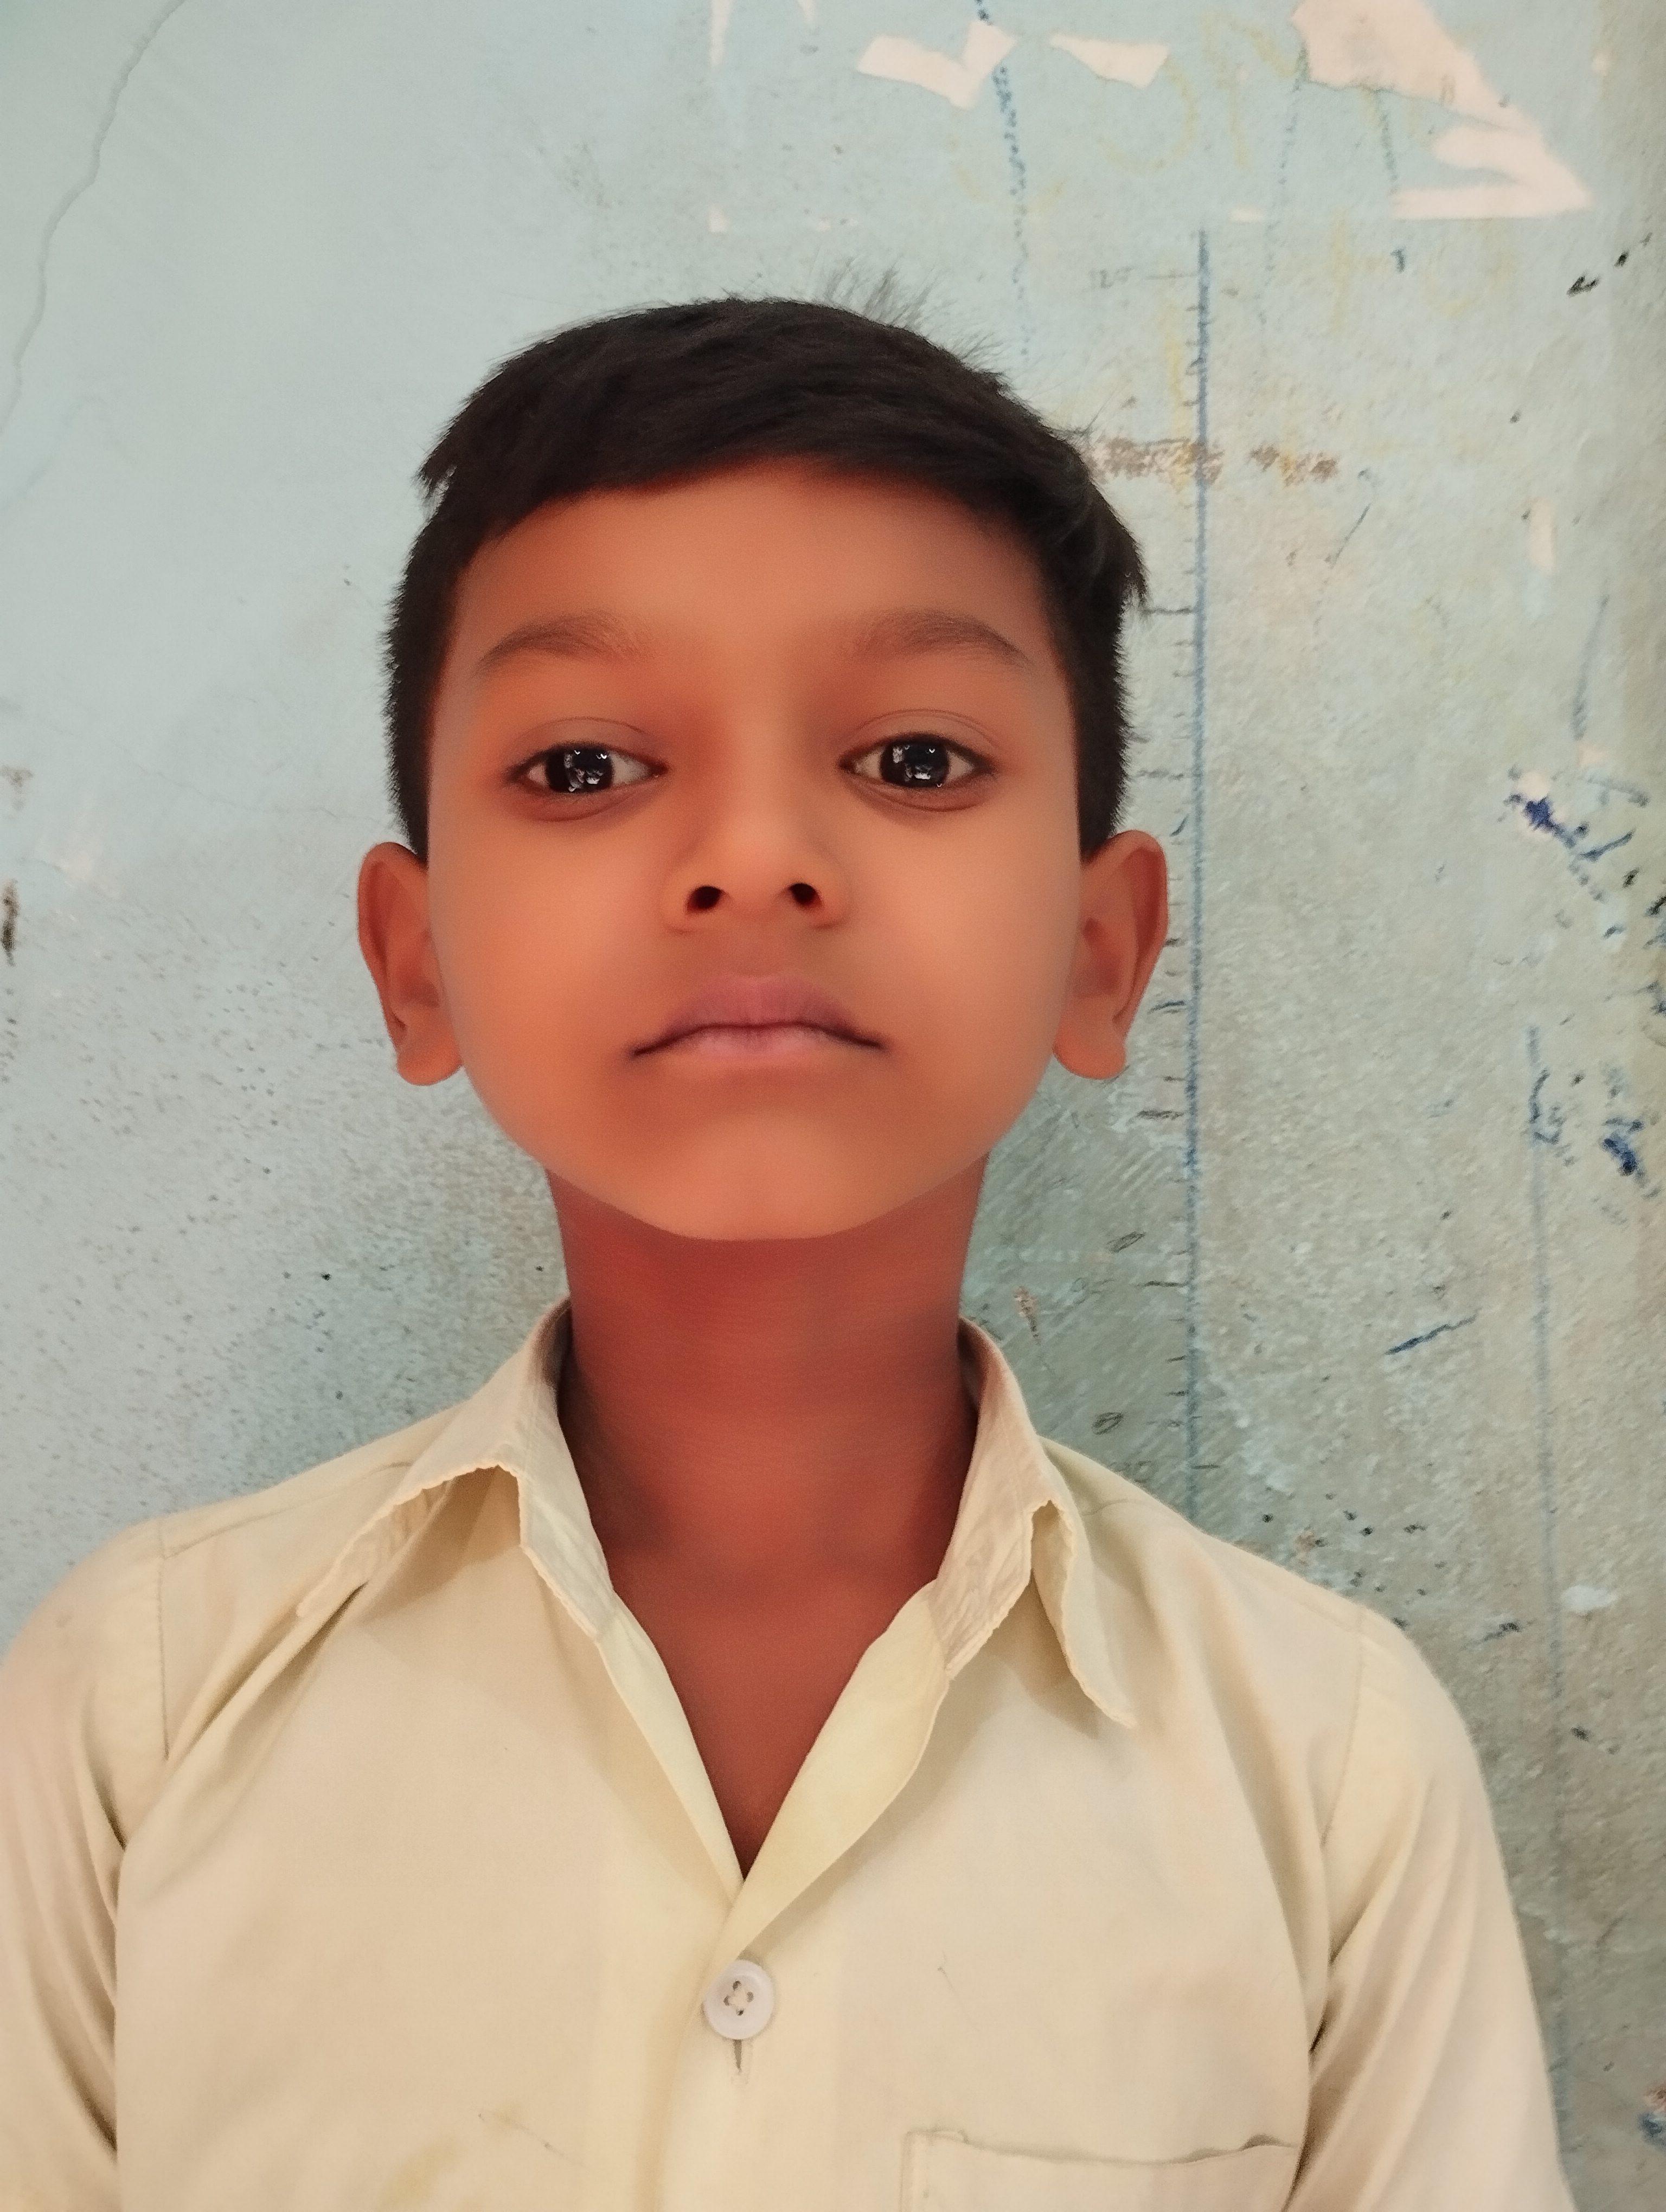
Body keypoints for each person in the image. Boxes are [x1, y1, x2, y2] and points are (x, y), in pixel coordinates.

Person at [0, 298, 1572, 2211]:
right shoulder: (143, 1711)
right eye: (587, 769)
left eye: (912, 757)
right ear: (418, 965)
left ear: (1101, 951)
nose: (754, 858)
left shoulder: (1327, 1769)